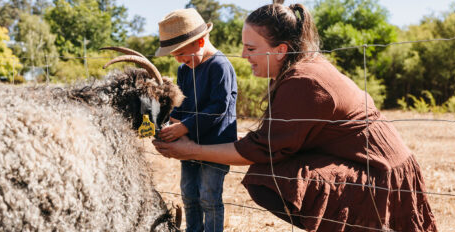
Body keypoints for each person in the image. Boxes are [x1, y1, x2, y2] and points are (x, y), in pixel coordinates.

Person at [153, 2, 437, 232]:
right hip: (371, 163)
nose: (242, 55)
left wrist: (191, 150)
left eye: (251, 49)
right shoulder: (298, 68)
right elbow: (271, 139)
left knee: (269, 175)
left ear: (280, 50)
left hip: (380, 175)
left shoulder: (302, 83)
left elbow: (260, 149)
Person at [155, 8, 238, 232]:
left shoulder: (219, 66)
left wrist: (183, 127)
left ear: (200, 42)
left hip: (215, 145)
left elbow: (218, 107)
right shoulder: (184, 69)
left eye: (181, 53)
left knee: (209, 197)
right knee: (189, 195)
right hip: (188, 143)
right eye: (175, 56)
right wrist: (170, 126)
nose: (179, 59)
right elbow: (181, 103)